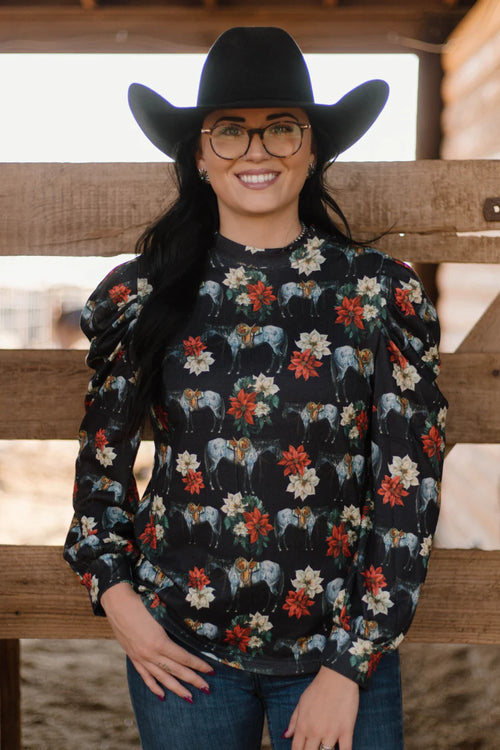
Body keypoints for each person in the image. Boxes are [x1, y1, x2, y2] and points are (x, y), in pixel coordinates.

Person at [64, 26, 447, 750]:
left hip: (336, 652)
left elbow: (408, 481)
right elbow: (101, 467)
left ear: (312, 148)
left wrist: (351, 663)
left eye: (281, 128)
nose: (257, 151)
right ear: (200, 155)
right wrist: (121, 605)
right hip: (181, 647)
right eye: (231, 131)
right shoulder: (144, 295)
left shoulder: (375, 294)